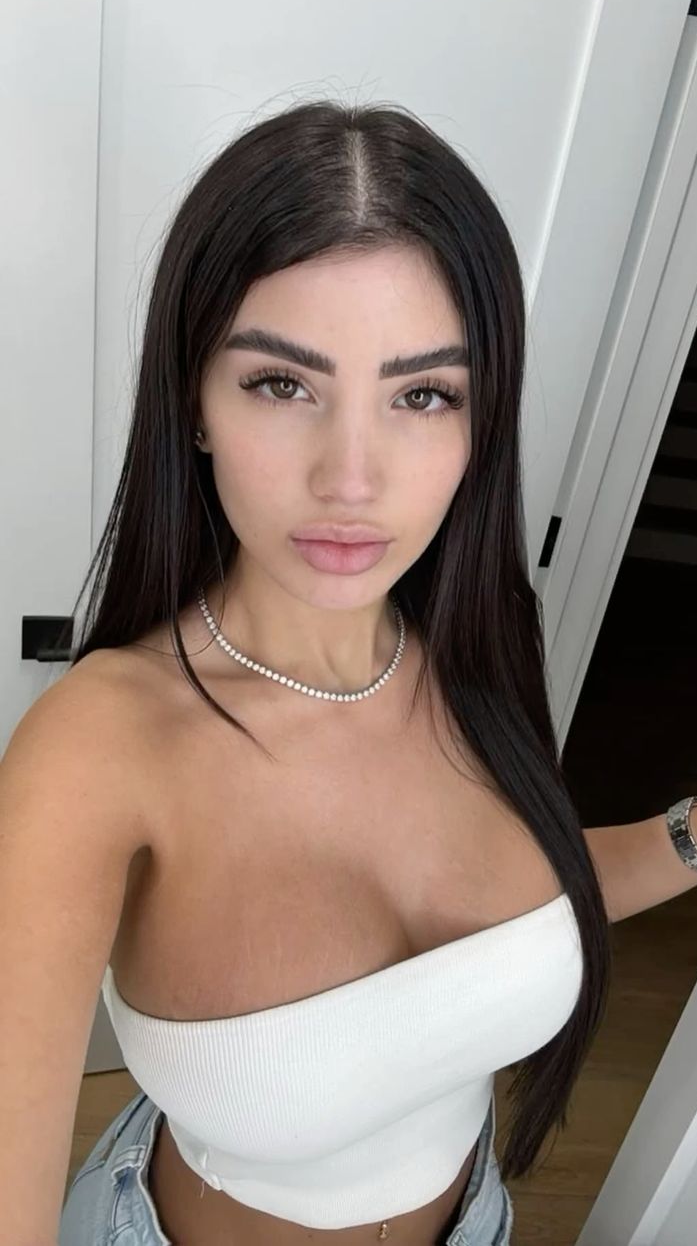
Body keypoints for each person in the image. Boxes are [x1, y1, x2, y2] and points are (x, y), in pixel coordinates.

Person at [1, 98, 609, 1246]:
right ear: (193, 401)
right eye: (283, 384)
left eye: (422, 394)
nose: (351, 478)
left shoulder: (475, 651)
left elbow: (528, 895)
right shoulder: (97, 749)